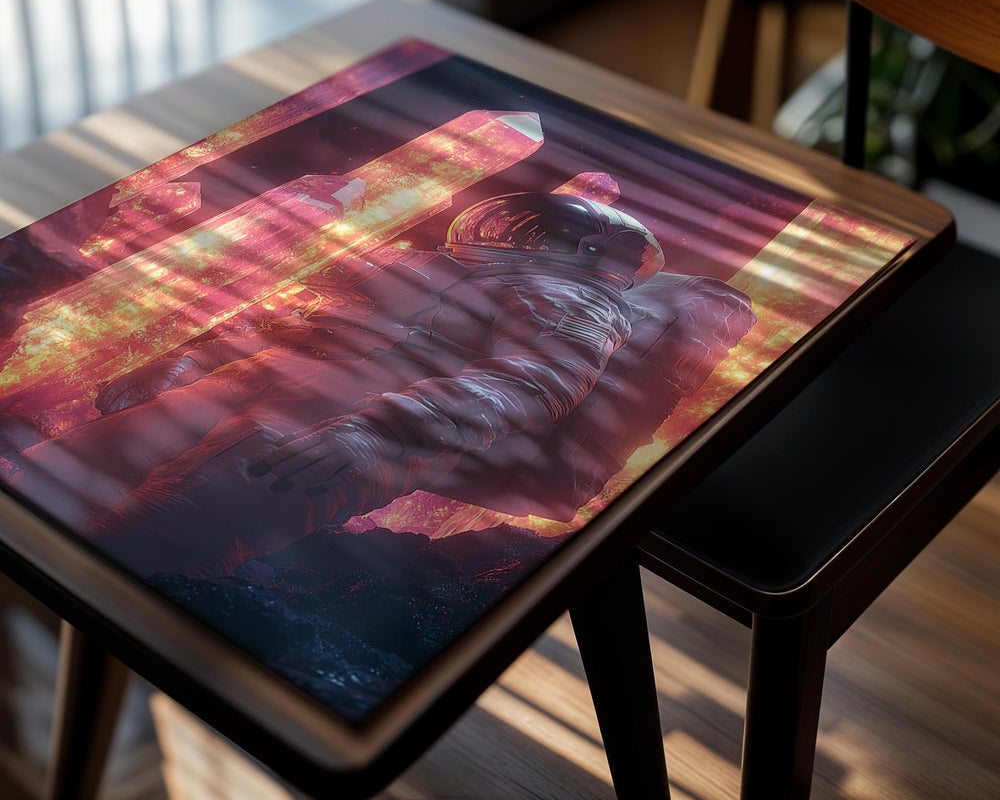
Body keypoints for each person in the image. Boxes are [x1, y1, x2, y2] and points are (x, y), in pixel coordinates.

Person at [3, 191, 755, 577]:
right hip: (287, 393)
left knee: (162, 536)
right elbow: (305, 324)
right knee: (44, 490)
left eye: (541, 232)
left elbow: (534, 380)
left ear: (589, 250)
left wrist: (383, 430)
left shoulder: (577, 297)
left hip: (346, 430)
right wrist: (182, 367)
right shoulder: (452, 277)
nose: (511, 237)